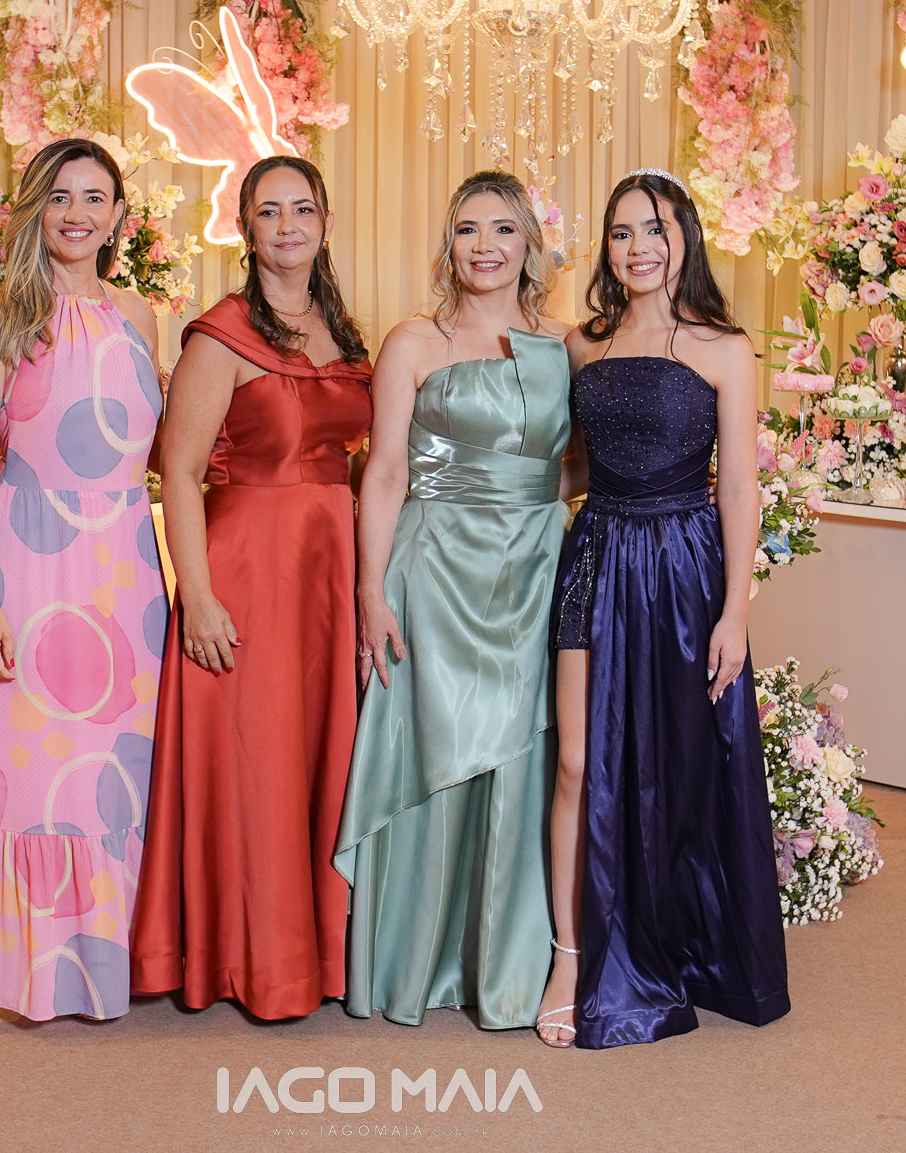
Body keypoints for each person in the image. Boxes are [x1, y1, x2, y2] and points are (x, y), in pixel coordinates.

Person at [534, 167, 789, 1049]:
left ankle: (676, 942)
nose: (638, 247)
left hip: (684, 566)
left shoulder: (725, 348)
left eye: (655, 228)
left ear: (686, 238)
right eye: (622, 232)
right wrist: (485, 492)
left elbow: (740, 488)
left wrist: (734, 613)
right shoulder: (584, 343)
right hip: (597, 555)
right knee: (576, 763)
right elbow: (577, 466)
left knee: (677, 766)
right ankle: (571, 958)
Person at [132, 155, 373, 1019]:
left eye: (301, 209)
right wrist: (195, 594)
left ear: (326, 221)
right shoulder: (221, 333)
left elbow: (363, 464)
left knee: (316, 759)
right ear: (245, 229)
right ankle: (253, 960)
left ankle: (319, 953)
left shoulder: (346, 335)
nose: (287, 226)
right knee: (258, 764)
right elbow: (179, 472)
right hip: (246, 571)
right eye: (268, 212)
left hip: (326, 572)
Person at [335, 170, 573, 1030]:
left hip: (533, 568)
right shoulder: (413, 341)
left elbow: (582, 462)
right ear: (449, 244)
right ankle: (414, 959)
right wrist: (371, 590)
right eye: (468, 229)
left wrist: (526, 495)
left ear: (528, 244)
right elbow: (384, 472)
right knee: (433, 745)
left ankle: (504, 968)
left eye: (502, 229)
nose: (484, 246)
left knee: (523, 755)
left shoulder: (567, 346)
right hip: (431, 568)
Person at [0, 137, 167, 1022]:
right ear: (35, 210)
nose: (78, 213)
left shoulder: (140, 314)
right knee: (33, 778)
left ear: (119, 216)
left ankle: (115, 964)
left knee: (116, 775)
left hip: (126, 573)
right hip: (30, 568)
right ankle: (37, 977)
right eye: (61, 196)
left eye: (95, 197)